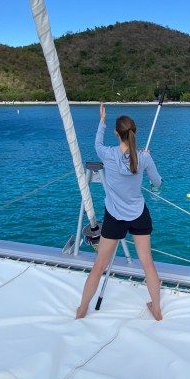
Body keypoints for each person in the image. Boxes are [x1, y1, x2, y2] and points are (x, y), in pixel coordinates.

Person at [76, 103, 163, 321]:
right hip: (138, 215)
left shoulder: (107, 154)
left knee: (99, 266)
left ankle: (81, 309)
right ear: (134, 132)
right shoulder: (143, 158)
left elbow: (96, 142)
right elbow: (157, 183)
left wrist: (102, 121)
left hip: (115, 217)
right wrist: (146, 159)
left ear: (117, 133)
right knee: (147, 263)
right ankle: (158, 310)